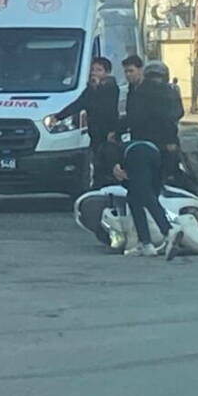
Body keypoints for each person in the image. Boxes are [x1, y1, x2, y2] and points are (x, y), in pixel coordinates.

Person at [112, 60, 185, 259]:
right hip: (160, 150)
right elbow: (176, 115)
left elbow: (140, 118)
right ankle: (146, 244)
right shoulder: (160, 92)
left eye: (131, 71)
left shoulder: (145, 92)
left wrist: (117, 131)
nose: (128, 75)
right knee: (136, 196)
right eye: (126, 72)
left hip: (142, 148)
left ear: (142, 71)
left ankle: (168, 229)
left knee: (143, 193)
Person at [54, 57, 119, 188]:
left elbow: (108, 108)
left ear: (106, 72)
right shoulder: (91, 89)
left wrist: (97, 89)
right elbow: (79, 104)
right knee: (97, 161)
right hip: (94, 131)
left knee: (108, 161)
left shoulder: (111, 88)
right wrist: (58, 117)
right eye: (93, 70)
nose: (94, 73)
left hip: (108, 132)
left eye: (99, 70)